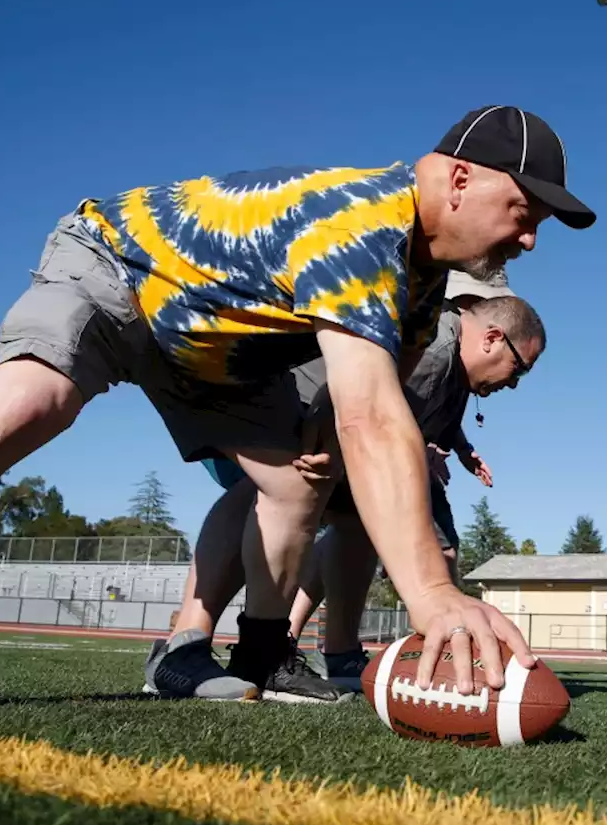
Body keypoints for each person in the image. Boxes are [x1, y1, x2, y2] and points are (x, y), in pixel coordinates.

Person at [0, 105, 595, 714]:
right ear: (457, 179)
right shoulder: (365, 223)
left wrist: (315, 445)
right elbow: (374, 420)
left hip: (217, 350)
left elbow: (360, 405)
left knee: (295, 482)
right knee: (31, 404)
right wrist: (434, 596)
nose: (529, 239)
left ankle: (256, 656)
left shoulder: (423, 288)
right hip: (122, 271)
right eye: (524, 209)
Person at [146, 279, 543, 700]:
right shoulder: (436, 352)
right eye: (519, 368)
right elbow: (364, 415)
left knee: (355, 517)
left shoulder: (450, 364)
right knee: (279, 484)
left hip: (307, 407)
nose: (514, 383)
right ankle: (186, 645)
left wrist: (453, 449)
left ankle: (337, 653)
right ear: (492, 338)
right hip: (272, 392)